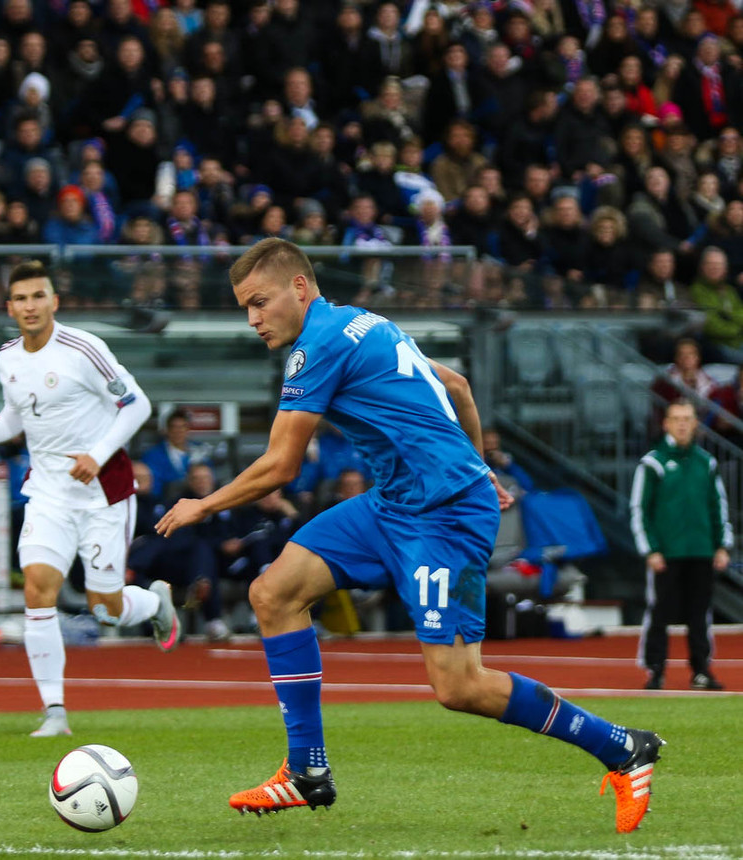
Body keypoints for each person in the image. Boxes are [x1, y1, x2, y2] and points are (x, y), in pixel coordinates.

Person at [155, 238, 665, 832]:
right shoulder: (364, 322)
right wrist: (477, 466)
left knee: (460, 686)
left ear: (299, 287)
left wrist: (203, 503)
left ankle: (623, 747)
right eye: (245, 307)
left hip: (443, 515)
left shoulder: (316, 347)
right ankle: (306, 771)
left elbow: (281, 466)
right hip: (397, 502)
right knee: (273, 593)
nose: (252, 319)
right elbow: (458, 387)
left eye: (259, 302)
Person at [0, 259, 180, 738]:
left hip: (103, 494)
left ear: (54, 301)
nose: (30, 306)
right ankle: (54, 712)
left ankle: (153, 603)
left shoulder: (84, 348)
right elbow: (17, 414)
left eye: (38, 296)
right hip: (48, 494)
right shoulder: (8, 357)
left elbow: (137, 404)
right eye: (21, 298)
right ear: (10, 307)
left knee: (106, 609)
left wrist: (97, 455)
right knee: (38, 588)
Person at [630, 399, 732, 692]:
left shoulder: (706, 463)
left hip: (701, 550)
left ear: (696, 424)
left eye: (687, 419)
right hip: (667, 552)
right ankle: (655, 670)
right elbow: (639, 509)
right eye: (677, 419)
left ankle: (701, 670)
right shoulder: (653, 463)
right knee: (659, 612)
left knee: (700, 614)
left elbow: (718, 506)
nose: (683, 425)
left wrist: (721, 545)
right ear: (666, 424)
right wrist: (650, 549)